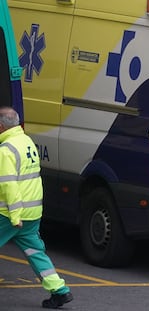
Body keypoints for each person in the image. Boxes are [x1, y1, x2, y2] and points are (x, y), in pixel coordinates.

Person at [0, 106, 73, 308]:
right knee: (35, 252)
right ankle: (59, 290)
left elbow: (9, 184)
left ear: (1, 126)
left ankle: (60, 290)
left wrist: (14, 216)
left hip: (11, 213)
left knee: (34, 251)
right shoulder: (26, 142)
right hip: (32, 211)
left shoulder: (6, 150)